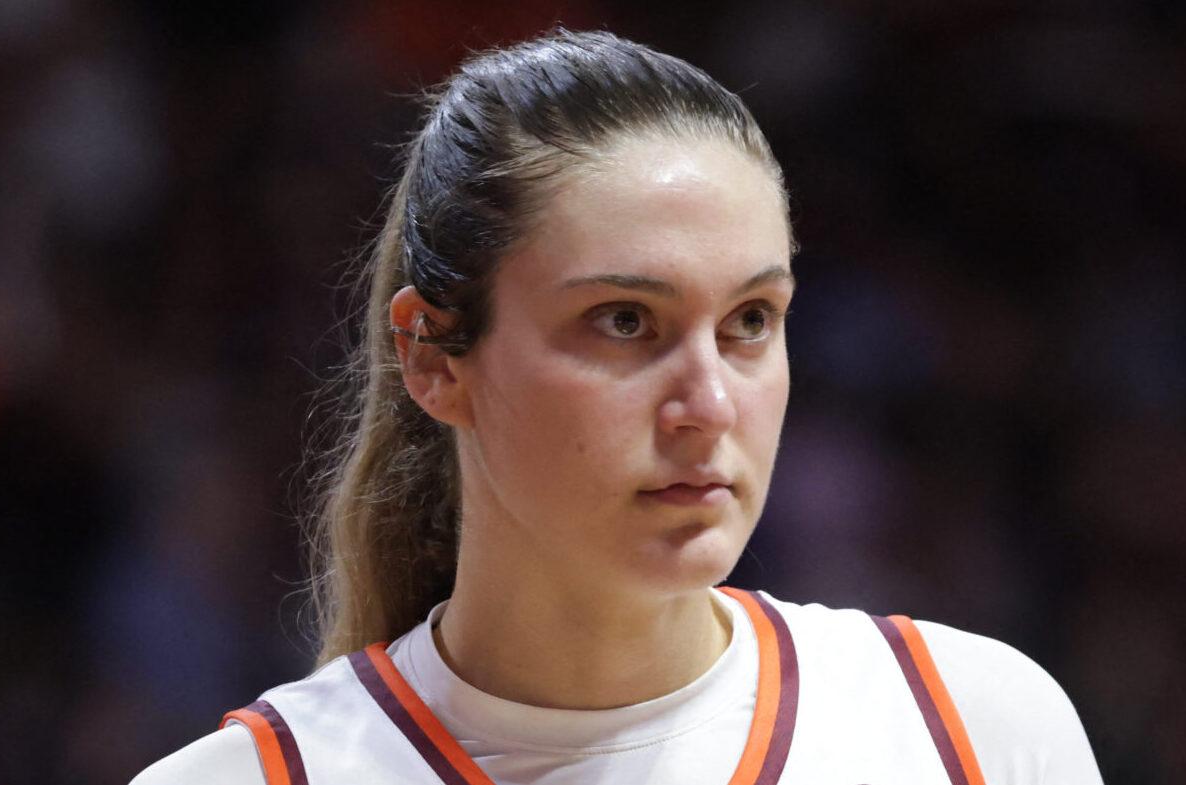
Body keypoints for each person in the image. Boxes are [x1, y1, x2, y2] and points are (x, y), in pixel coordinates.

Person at [132, 29, 1103, 785]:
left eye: (751, 319)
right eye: (626, 320)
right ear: (432, 355)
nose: (708, 402)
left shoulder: (970, 727)